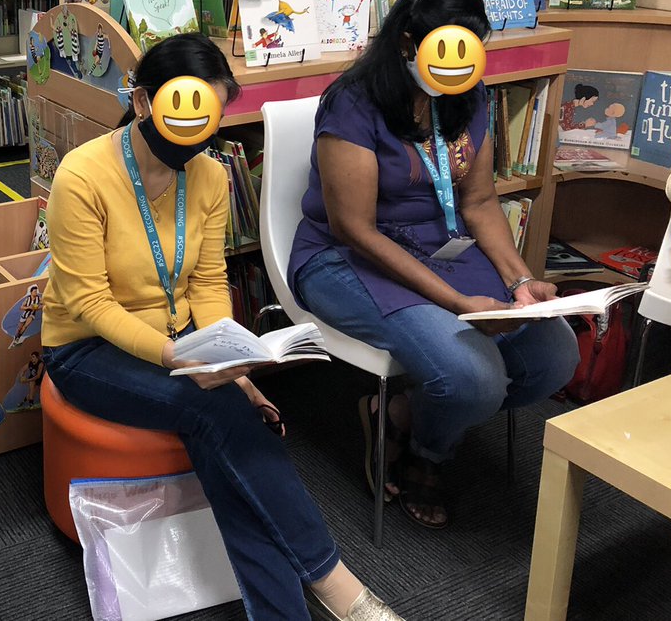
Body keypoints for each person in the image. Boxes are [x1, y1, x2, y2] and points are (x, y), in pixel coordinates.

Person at [42, 34, 403, 621]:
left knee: (229, 429)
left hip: (181, 342)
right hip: (87, 349)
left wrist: (230, 358)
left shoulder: (208, 177)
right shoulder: (82, 175)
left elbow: (208, 282)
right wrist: (178, 359)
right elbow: (88, 304)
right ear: (142, 104)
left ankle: (286, 612)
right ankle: (336, 584)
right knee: (215, 414)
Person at [289, 0, 579, 530]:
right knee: (473, 379)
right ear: (407, 42)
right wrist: (456, 303)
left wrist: (519, 281)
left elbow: (479, 198)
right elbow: (353, 227)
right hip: (346, 256)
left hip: (440, 247)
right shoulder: (353, 102)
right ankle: (430, 451)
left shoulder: (469, 97)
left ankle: (400, 414)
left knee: (552, 356)